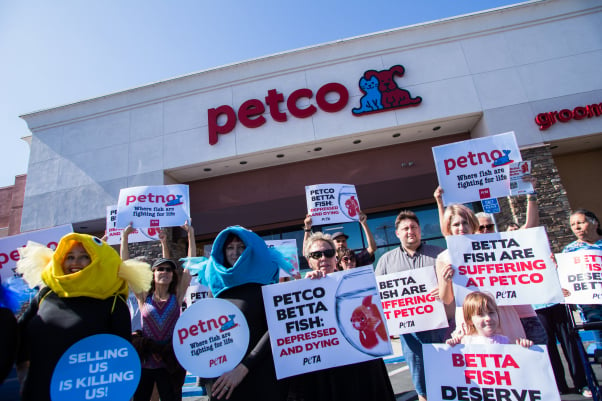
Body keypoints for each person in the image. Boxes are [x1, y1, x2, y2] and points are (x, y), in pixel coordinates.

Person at [15, 233, 152, 401]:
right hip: (38, 390)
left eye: (85, 257)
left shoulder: (113, 303)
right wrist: (22, 371)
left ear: (98, 262)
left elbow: (121, 358)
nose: (75, 263)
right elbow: (18, 335)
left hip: (86, 395)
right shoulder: (46, 294)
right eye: (70, 257)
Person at [288, 232, 396, 401]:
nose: (323, 258)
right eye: (316, 255)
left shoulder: (356, 281)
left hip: (362, 364)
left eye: (328, 253)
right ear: (309, 261)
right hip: (326, 372)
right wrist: (306, 287)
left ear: (335, 257)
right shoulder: (302, 289)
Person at [187, 225, 289, 401]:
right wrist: (205, 373)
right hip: (222, 381)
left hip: (258, 376)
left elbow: (275, 329)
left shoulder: (264, 285)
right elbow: (208, 332)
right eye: (230, 247)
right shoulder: (215, 288)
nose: (235, 252)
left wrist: (244, 367)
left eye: (241, 247)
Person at [434, 187, 546, 345]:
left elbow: (527, 238)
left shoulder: (495, 247)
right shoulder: (444, 257)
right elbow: (447, 299)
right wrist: (446, 281)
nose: (461, 228)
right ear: (449, 228)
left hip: (503, 314)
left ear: (472, 224)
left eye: (465, 223)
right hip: (470, 318)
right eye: (456, 224)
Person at [374, 210, 446, 401]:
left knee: (448, 377)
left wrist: (445, 288)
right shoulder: (386, 261)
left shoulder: (439, 255)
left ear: (420, 230)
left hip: (442, 329)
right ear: (397, 233)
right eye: (405, 228)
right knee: (421, 384)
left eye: (414, 227)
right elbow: (379, 295)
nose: (410, 231)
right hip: (409, 335)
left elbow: (456, 285)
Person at [536, 209, 602, 397]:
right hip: (591, 309)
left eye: (580, 223)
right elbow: (568, 278)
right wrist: (564, 283)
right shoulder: (570, 251)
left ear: (594, 222)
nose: (577, 228)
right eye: (573, 225)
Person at [133, 221, 194, 401]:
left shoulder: (177, 296)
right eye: (160, 269)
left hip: (169, 362)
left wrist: (190, 234)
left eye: (168, 270)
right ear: (153, 273)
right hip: (146, 363)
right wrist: (124, 237)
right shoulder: (144, 298)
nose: (164, 272)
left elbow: (189, 266)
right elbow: (125, 265)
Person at [446, 292, 533, 348]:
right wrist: (452, 346)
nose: (488, 318)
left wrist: (523, 348)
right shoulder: (465, 341)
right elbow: (453, 362)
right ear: (470, 320)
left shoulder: (505, 341)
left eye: (491, 313)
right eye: (480, 315)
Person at [303, 211, 376, 267]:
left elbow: (372, 248)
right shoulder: (328, 263)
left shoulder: (353, 259)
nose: (341, 243)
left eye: (343, 241)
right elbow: (306, 254)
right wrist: (307, 229)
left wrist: (364, 223)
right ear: (332, 245)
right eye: (338, 241)